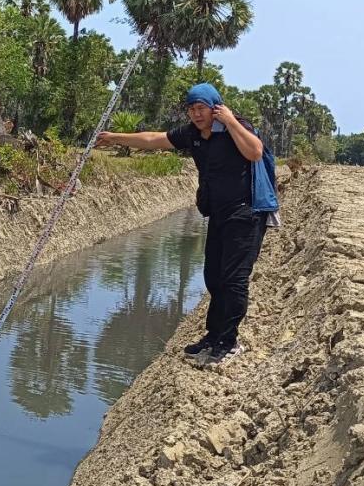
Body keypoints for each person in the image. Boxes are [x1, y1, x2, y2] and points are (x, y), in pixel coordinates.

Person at [95, 83, 270, 365]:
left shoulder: (236, 127)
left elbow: (255, 152)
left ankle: (229, 342)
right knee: (213, 277)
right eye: (191, 109)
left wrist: (230, 121)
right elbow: (154, 139)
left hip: (247, 214)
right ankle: (214, 336)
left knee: (234, 279)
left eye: (201, 108)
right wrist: (115, 137)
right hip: (219, 214)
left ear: (215, 108)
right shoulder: (192, 134)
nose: (196, 114)